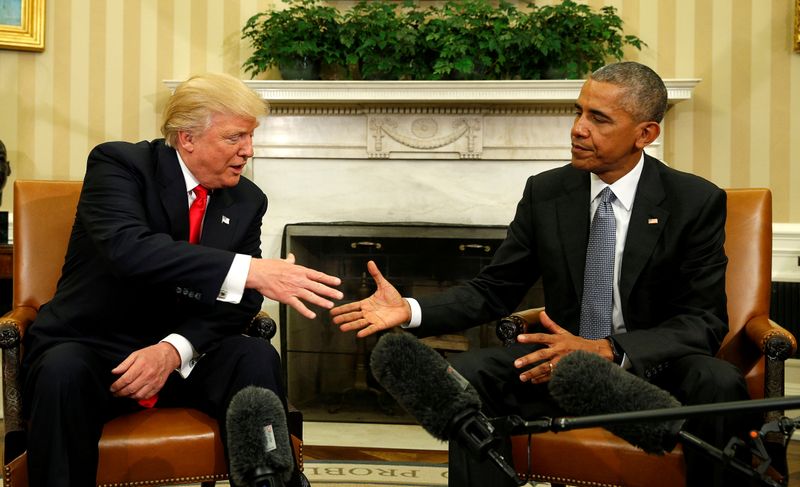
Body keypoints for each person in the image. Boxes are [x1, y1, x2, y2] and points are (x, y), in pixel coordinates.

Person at [331, 62, 754, 487]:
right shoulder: (547, 192)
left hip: (653, 368)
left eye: (598, 118)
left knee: (717, 381)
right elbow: (495, 288)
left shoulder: (692, 201)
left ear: (645, 134)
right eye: (578, 111)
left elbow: (702, 321)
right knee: (472, 376)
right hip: (558, 365)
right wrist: (411, 309)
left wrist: (608, 349)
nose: (577, 128)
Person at [21, 73, 343, 487]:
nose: (249, 151)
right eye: (235, 138)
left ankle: (272, 481)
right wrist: (251, 270)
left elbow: (240, 303)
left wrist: (174, 350)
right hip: (95, 349)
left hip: (183, 360)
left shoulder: (246, 199)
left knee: (256, 356)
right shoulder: (120, 165)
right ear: (187, 137)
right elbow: (129, 250)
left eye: (250, 138)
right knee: (61, 369)